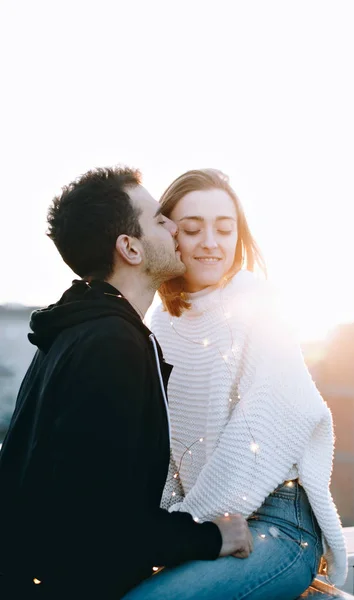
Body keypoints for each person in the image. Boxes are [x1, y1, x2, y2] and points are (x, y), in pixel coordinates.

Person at [0, 167, 253, 600]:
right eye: (159, 220)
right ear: (130, 248)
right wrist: (213, 536)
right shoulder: (111, 346)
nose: (174, 226)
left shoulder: (72, 333)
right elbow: (99, 524)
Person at [125, 169, 348, 600]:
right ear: (169, 235)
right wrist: (171, 529)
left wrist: (188, 531)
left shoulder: (257, 304)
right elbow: (167, 451)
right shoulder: (161, 323)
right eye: (192, 229)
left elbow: (258, 437)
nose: (211, 242)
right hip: (209, 525)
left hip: (279, 526)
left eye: (225, 229)